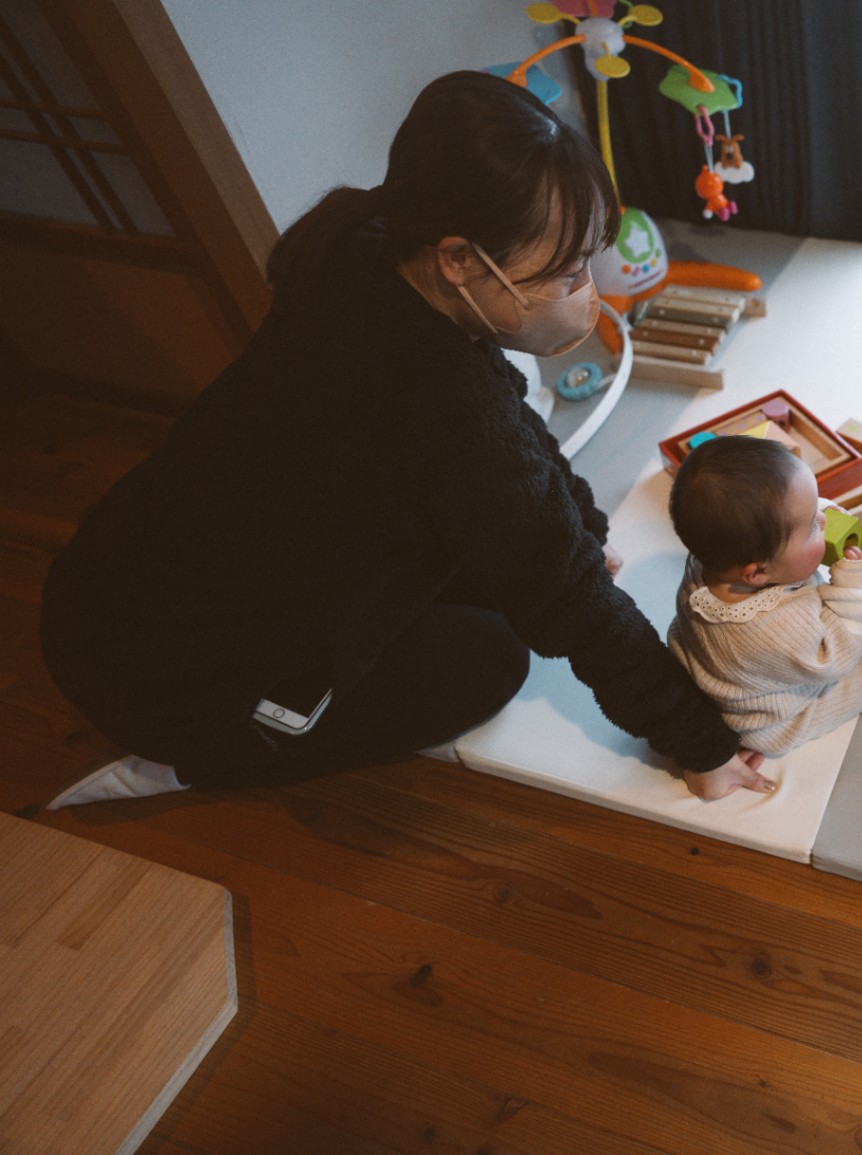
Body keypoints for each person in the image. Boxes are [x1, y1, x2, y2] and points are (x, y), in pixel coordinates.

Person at [39, 71, 772, 808]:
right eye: (567, 273)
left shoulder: (367, 247)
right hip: (170, 672)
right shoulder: (437, 401)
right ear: (459, 259)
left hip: (119, 578)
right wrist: (701, 744)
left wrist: (581, 527)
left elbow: (511, 426)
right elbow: (567, 593)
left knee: (499, 568)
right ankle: (211, 757)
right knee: (491, 659)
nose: (586, 291)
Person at [665, 436, 862, 754]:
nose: (822, 518)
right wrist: (852, 584)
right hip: (770, 718)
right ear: (758, 574)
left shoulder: (712, 558)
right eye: (811, 527)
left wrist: (812, 517)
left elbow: (788, 514)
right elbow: (836, 659)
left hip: (728, 671)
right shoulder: (778, 630)